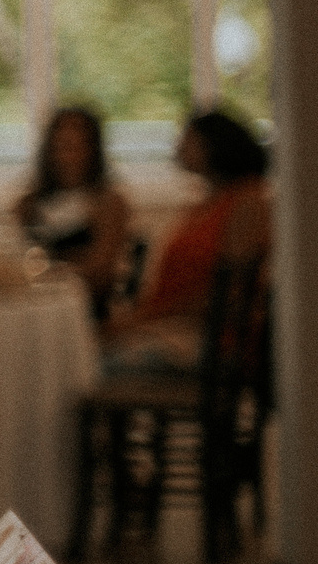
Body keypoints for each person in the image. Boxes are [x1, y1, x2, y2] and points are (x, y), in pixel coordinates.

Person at [111, 107, 271, 370]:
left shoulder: (247, 200)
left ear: (214, 146)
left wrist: (144, 319)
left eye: (188, 138)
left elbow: (232, 291)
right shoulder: (208, 202)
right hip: (172, 326)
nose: (178, 145)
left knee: (91, 367)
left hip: (211, 340)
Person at [15, 105, 134, 324]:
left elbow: (101, 273)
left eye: (74, 147)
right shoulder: (29, 203)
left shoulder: (108, 202)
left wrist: (43, 268)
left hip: (84, 314)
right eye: (58, 147)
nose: (65, 157)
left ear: (92, 151)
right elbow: (10, 255)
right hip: (30, 310)